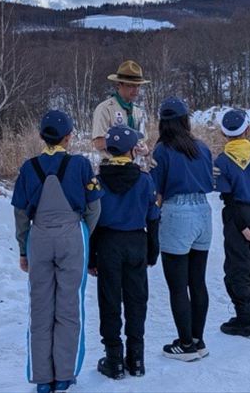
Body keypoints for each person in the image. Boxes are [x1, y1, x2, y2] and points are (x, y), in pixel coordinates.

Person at [11, 110, 103, 393]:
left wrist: (24, 249)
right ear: (69, 137)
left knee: (40, 308)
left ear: (41, 136)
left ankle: (41, 378)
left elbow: (21, 213)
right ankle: (64, 375)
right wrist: (81, 232)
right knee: (69, 305)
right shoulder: (80, 165)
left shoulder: (28, 168)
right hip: (71, 235)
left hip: (38, 237)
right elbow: (94, 207)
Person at [90, 125, 161, 379]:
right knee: (136, 299)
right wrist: (153, 251)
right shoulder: (144, 179)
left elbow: (93, 221)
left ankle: (114, 359)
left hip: (108, 242)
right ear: (133, 150)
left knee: (109, 300)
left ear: (108, 149)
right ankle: (136, 358)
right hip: (136, 242)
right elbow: (153, 217)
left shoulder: (97, 181)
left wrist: (91, 257)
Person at [150, 97, 214, 361]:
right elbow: (210, 182)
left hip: (177, 212)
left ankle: (185, 344)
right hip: (203, 211)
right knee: (197, 280)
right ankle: (198, 340)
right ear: (186, 119)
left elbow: (157, 191)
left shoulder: (162, 150)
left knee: (178, 285)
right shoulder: (202, 148)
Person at [214, 109, 250, 338]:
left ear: (223, 133)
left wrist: (242, 228)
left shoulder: (222, 161)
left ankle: (244, 320)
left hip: (237, 217)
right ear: (247, 130)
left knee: (236, 269)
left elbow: (228, 200)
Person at [92, 60, 150, 161]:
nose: (135, 90)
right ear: (119, 85)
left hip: (133, 168)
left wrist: (145, 150)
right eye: (130, 85)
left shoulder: (138, 111)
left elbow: (142, 140)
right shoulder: (105, 108)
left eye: (138, 85)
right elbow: (98, 143)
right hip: (111, 167)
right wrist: (121, 140)